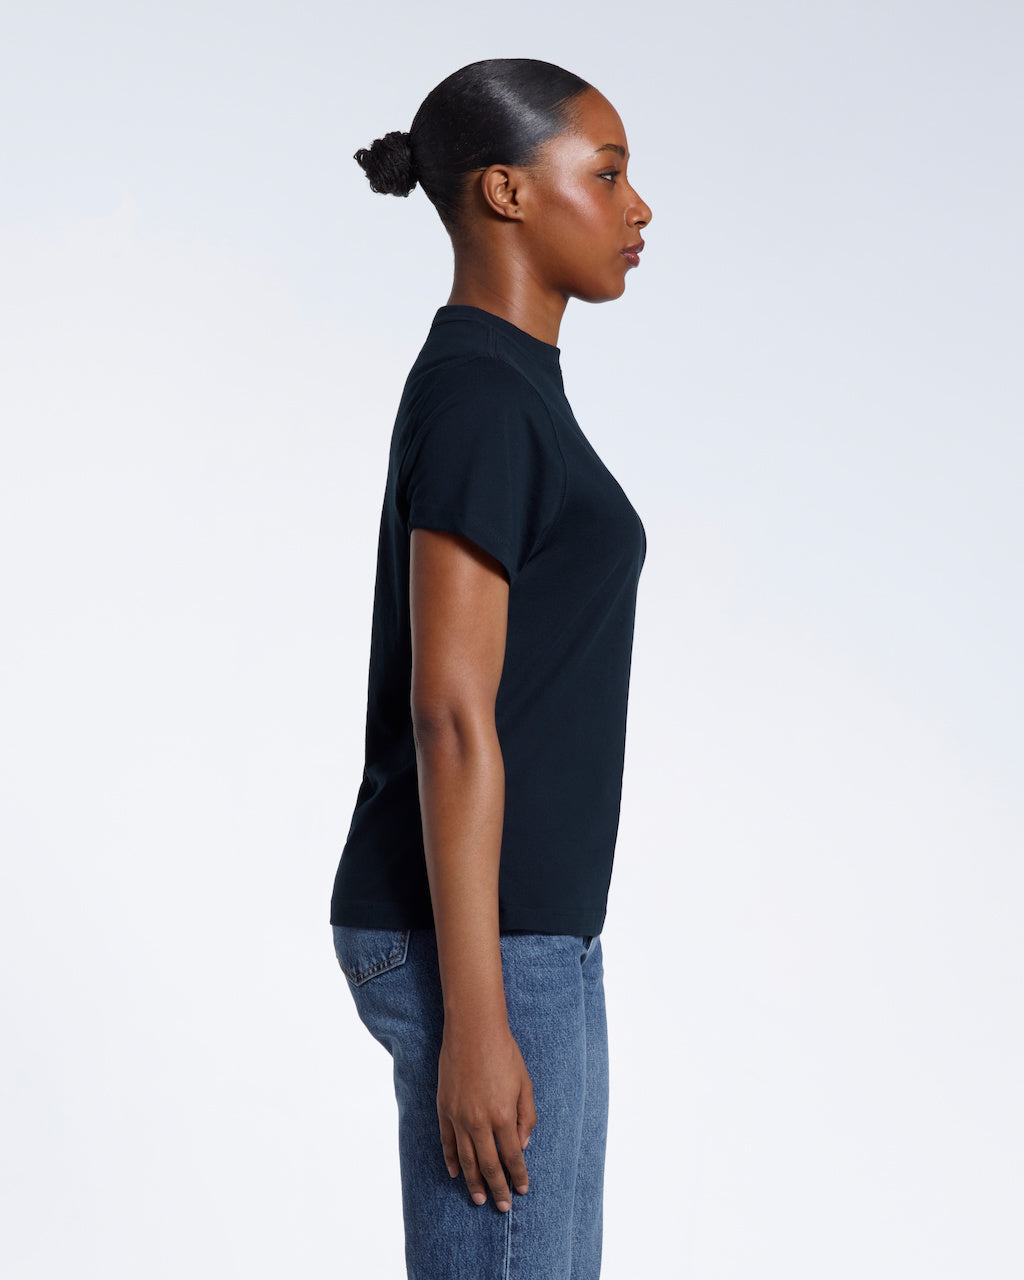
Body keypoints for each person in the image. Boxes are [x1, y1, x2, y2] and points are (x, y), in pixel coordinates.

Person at [330, 57, 652, 1280]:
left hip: (529, 933)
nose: (639, 208)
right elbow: (450, 712)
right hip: (480, 941)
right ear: (507, 192)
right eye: (608, 173)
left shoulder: (513, 386)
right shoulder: (479, 394)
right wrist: (479, 1018)